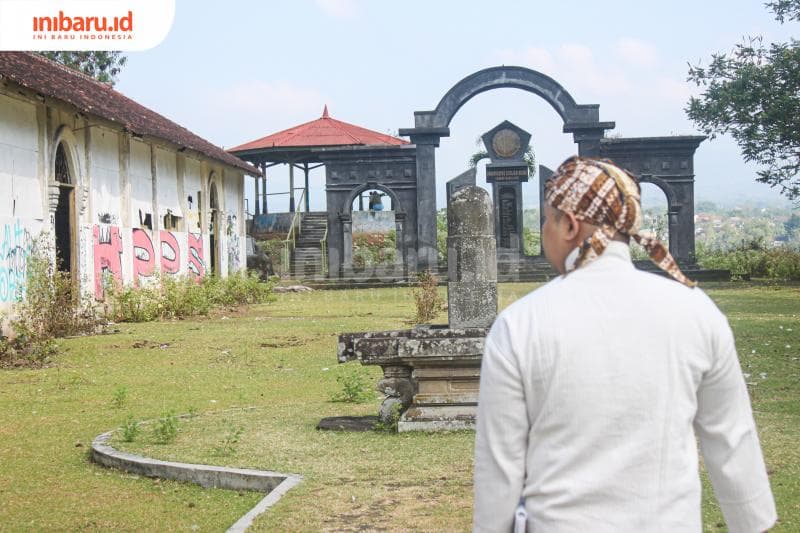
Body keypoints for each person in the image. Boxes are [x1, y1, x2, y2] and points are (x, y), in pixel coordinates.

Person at [473, 156, 776, 532]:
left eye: (547, 220)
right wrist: (751, 524)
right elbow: (733, 439)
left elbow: (500, 467)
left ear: (569, 224)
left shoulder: (521, 324)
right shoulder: (695, 310)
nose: (544, 230)